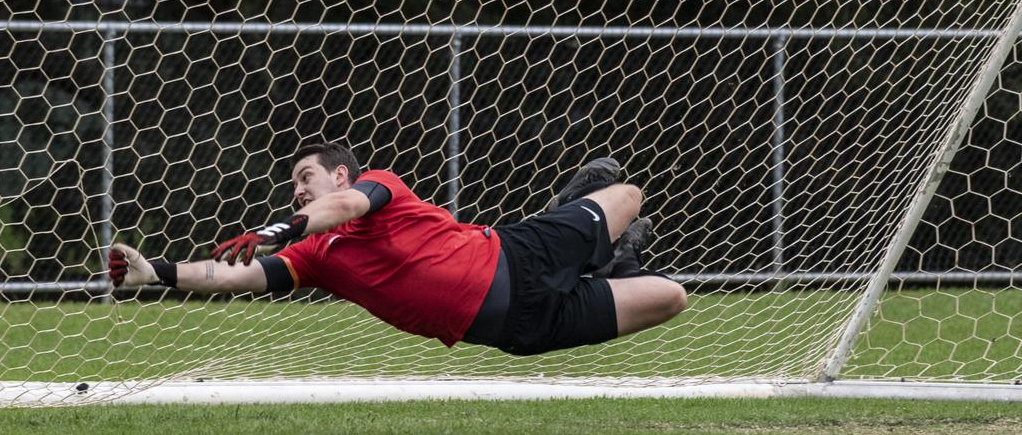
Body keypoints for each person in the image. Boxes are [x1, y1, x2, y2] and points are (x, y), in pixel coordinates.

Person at [108, 143, 687, 355]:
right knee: (671, 297)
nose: (298, 189)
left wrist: (286, 225)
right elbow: (233, 277)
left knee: (623, 190)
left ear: (340, 175)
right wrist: (154, 272)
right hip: (519, 330)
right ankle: (611, 257)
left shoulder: (378, 189)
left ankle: (578, 228)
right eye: (293, 188)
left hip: (517, 256)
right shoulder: (316, 261)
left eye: (305, 178)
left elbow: (343, 209)